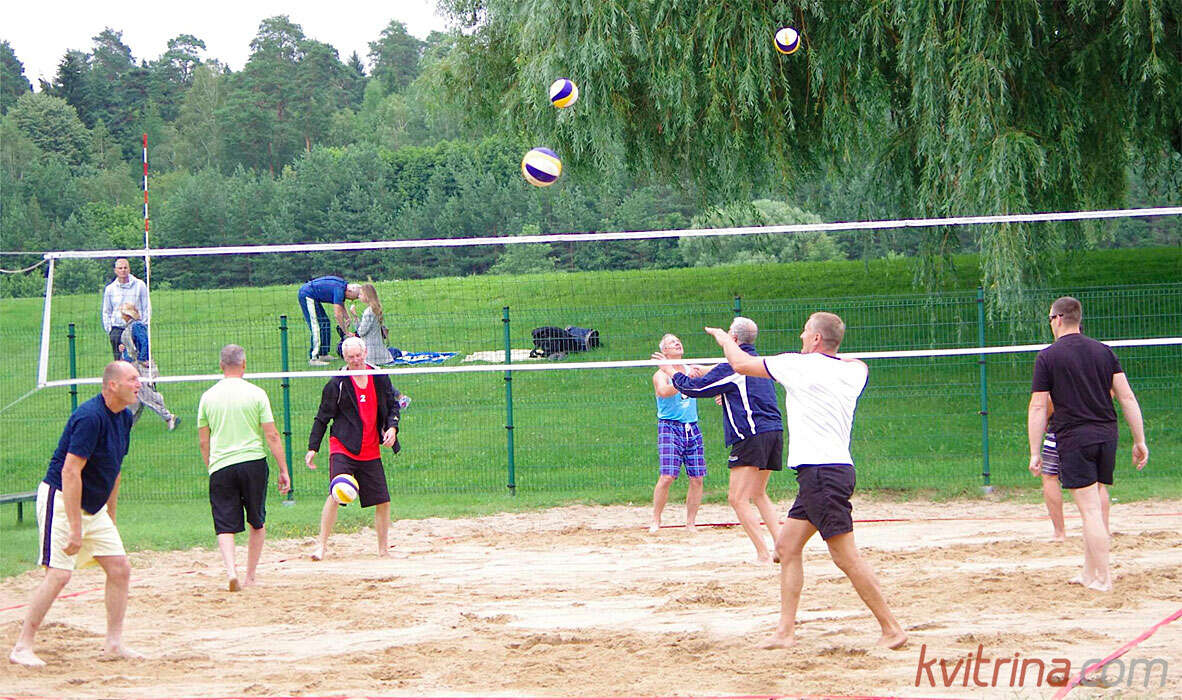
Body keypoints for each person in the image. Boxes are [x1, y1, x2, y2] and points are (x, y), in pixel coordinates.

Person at [704, 312, 906, 650]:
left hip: (822, 474)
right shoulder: (854, 371)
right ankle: (785, 632)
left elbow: (739, 364)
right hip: (827, 473)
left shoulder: (798, 365)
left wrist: (724, 339)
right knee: (786, 548)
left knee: (845, 557)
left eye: (805, 331)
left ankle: (892, 628)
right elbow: (853, 360)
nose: (800, 335)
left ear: (815, 339)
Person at [9, 361, 145, 667]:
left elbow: (114, 470)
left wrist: (110, 516)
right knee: (59, 574)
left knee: (120, 568)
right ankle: (22, 646)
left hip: (93, 507)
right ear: (113, 385)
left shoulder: (124, 417)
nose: (139, 384)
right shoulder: (89, 417)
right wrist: (75, 528)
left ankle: (113, 644)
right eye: (133, 379)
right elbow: (70, 472)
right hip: (61, 500)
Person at [1028, 296, 1147, 591]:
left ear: (1057, 319)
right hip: (1107, 436)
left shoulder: (1048, 357)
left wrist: (1034, 451)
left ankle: (1104, 578)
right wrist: (1139, 440)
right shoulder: (1104, 351)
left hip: (1075, 438)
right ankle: (1089, 572)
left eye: (1050, 319)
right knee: (1093, 506)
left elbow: (1038, 407)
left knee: (1090, 512)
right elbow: (1127, 397)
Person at [654, 317, 783, 562]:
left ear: (733, 339)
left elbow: (695, 389)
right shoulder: (757, 362)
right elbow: (733, 379)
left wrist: (671, 371)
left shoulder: (735, 367)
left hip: (751, 434)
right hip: (773, 431)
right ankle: (782, 546)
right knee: (758, 493)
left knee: (737, 498)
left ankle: (763, 554)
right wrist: (712, 381)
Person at [197, 344, 292, 591]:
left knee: (224, 524)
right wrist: (283, 469)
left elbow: (204, 441)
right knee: (257, 521)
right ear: (244, 364)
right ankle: (250, 576)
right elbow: (271, 435)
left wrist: (211, 465)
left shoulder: (208, 397)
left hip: (221, 465)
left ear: (221, 366)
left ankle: (231, 572)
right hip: (253, 463)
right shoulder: (256, 393)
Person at [306, 337, 401, 559]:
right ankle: (321, 546)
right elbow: (322, 417)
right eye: (351, 357)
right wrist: (313, 448)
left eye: (358, 356)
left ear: (365, 353)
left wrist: (392, 428)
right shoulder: (337, 384)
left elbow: (393, 406)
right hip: (343, 446)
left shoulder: (379, 376)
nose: (356, 360)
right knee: (336, 493)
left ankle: (383, 550)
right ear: (344, 358)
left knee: (383, 500)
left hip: (370, 449)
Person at [649, 333, 705, 533]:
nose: (677, 343)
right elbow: (663, 392)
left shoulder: (691, 369)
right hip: (670, 426)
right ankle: (656, 520)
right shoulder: (661, 374)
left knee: (697, 477)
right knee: (667, 476)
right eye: (672, 343)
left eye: (678, 341)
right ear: (665, 351)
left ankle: (690, 523)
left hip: (691, 426)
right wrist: (684, 381)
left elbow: (710, 379)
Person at [118, 302, 179, 431]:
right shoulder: (128, 328)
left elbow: (144, 342)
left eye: (123, 313)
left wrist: (142, 359)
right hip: (133, 366)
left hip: (141, 366)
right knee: (135, 398)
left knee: (146, 394)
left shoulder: (137, 326)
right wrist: (123, 349)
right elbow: (130, 347)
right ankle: (125, 426)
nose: (121, 316)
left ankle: (169, 417)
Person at [298, 275, 361, 366]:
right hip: (307, 295)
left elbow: (340, 303)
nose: (351, 300)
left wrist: (347, 317)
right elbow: (337, 314)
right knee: (316, 326)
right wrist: (345, 331)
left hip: (314, 297)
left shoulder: (343, 287)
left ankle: (323, 354)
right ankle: (313, 358)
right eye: (353, 298)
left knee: (325, 323)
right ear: (350, 291)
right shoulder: (339, 290)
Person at [101, 258, 151, 361]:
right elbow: (106, 311)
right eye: (120, 268)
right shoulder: (110, 289)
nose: (123, 270)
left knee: (140, 359)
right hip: (117, 329)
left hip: (135, 328)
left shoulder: (140, 285)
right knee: (120, 362)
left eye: (125, 268)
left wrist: (143, 325)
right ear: (115, 270)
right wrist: (110, 330)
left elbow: (146, 307)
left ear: (129, 269)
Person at [355, 283, 394, 365]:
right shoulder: (375, 308)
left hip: (371, 354)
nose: (358, 296)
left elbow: (361, 332)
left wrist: (355, 317)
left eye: (361, 294)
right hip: (379, 348)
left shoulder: (368, 312)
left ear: (367, 296)